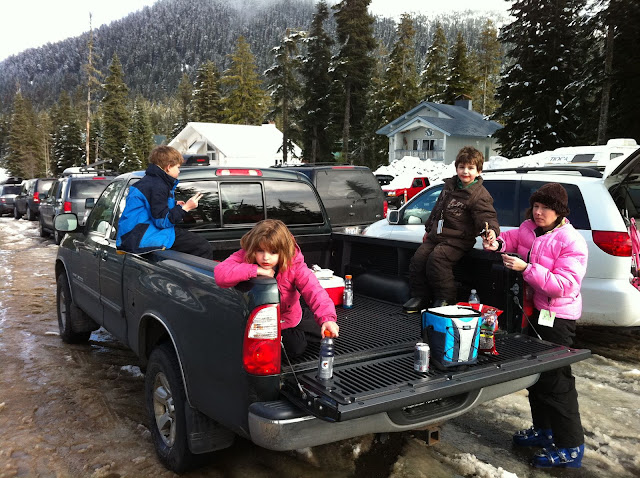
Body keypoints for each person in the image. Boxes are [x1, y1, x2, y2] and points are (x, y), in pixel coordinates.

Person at [483, 182, 587, 469]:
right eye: (536, 206)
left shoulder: (571, 241)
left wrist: (526, 269)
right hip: (534, 313)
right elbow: (509, 239)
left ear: (560, 211)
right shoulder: (529, 228)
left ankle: (571, 447)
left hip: (558, 317)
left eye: (546, 208)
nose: (539, 212)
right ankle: (544, 430)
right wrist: (495, 242)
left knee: (557, 381)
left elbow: (564, 286)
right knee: (538, 377)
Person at [214, 219, 339, 357]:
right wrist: (255, 270)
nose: (266, 258)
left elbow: (314, 290)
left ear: (283, 251)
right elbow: (220, 273)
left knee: (323, 331)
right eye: (260, 250)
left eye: (273, 252)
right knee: (296, 347)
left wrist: (328, 318)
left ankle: (299, 331)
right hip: (262, 322)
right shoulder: (246, 255)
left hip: (289, 315)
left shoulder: (294, 264)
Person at [403, 146, 500, 312]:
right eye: (462, 167)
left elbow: (486, 216)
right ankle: (420, 296)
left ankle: (445, 299)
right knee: (418, 259)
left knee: (437, 260)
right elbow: (437, 210)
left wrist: (490, 230)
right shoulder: (449, 186)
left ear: (478, 171)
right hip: (437, 236)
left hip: (459, 239)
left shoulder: (479, 194)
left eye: (470, 168)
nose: (465, 171)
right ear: (456, 168)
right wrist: (428, 229)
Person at [116, 145, 213, 259]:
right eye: (178, 167)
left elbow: (152, 208)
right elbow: (162, 221)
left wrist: (174, 204)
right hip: (142, 238)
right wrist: (186, 207)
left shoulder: (150, 182)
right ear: (168, 167)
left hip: (133, 236)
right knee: (203, 247)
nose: (179, 171)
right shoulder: (157, 186)